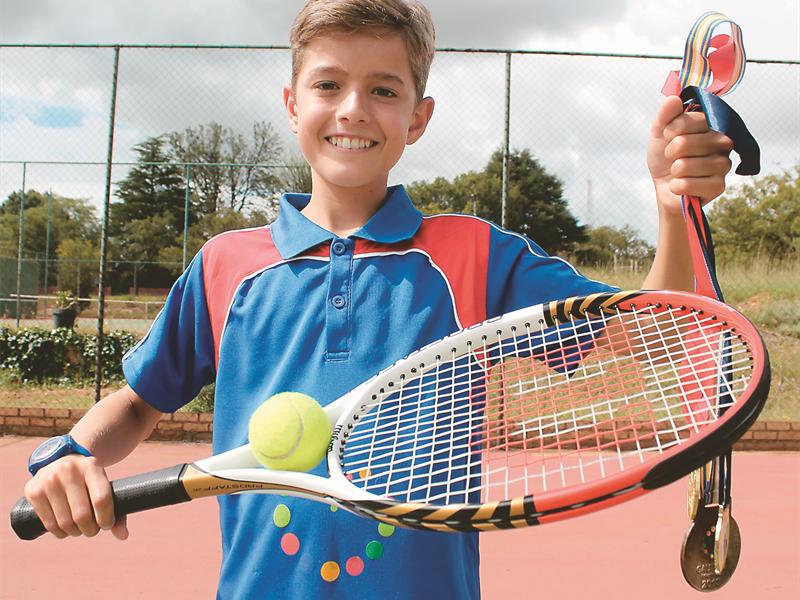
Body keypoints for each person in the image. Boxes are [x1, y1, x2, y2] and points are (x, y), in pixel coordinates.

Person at [21, 1, 734, 598]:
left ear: (418, 117)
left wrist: (672, 206)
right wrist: (68, 455)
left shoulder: (476, 256)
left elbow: (655, 329)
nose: (353, 110)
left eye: (384, 91)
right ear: (292, 103)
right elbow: (139, 403)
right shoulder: (225, 266)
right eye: (328, 85)